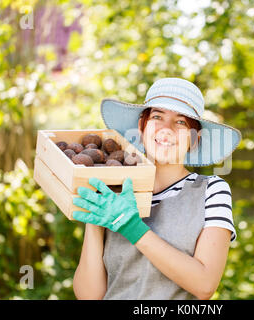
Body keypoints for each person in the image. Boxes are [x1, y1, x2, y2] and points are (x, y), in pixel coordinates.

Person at [72, 77, 242, 300]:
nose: (167, 129)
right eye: (157, 116)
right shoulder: (115, 189)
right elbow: (90, 297)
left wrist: (132, 227)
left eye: (181, 122)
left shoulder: (211, 190)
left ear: (195, 138)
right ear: (142, 126)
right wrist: (94, 223)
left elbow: (205, 285)